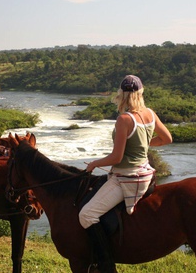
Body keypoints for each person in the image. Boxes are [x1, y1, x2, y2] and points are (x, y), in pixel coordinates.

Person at [78, 74, 173, 272]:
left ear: (121, 94)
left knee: (86, 215)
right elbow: (167, 139)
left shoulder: (124, 120)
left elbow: (116, 158)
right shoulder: (150, 114)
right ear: (140, 93)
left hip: (127, 177)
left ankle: (105, 265)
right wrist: (145, 145)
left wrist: (94, 163)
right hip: (146, 173)